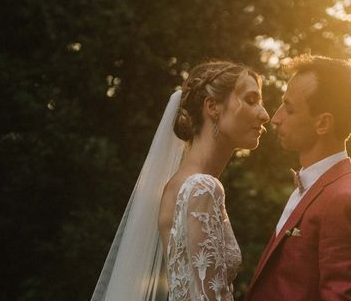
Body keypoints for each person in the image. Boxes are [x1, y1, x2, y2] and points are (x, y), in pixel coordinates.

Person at [91, 61, 270, 301]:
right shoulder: (201, 188)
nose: (265, 114)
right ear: (212, 106)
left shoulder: (178, 185)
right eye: (251, 100)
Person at [245, 55, 351, 301]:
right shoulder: (312, 187)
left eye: (289, 108)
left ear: (323, 124)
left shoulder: (346, 201)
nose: (275, 118)